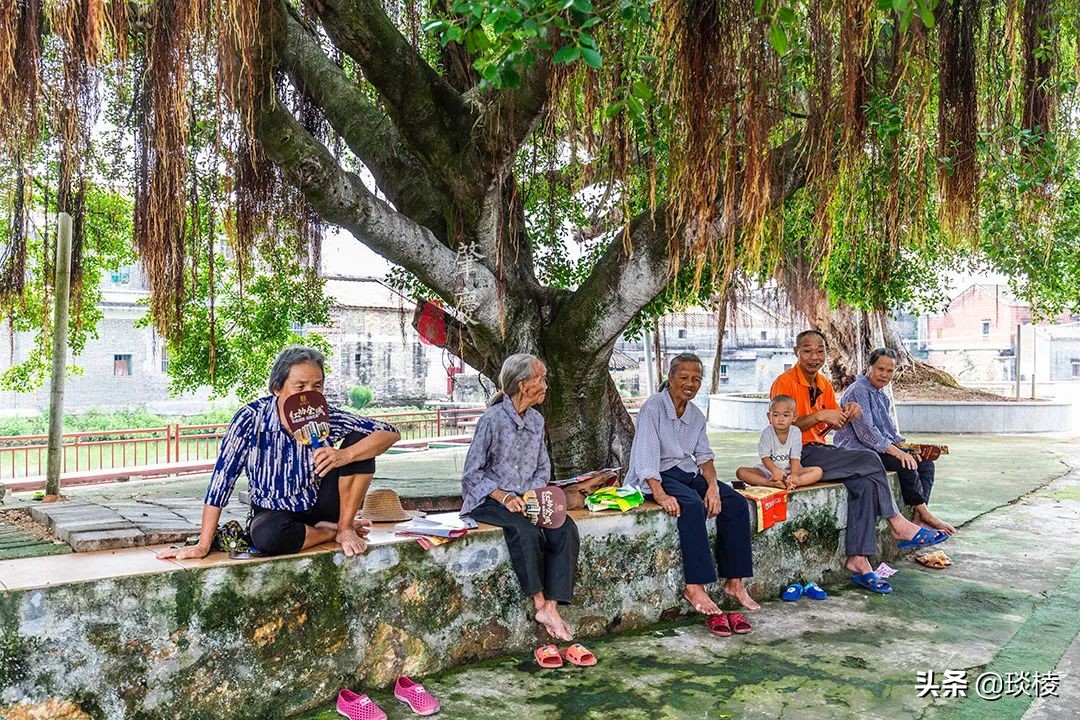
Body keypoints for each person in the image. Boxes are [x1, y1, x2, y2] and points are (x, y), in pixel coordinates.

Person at [158, 346, 400, 561]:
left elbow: (389, 433)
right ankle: (330, 531)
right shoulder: (250, 419)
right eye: (300, 386)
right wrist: (203, 544)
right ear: (277, 388)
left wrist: (344, 455)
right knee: (267, 537)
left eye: (317, 386)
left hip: (320, 502)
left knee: (360, 441)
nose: (309, 393)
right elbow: (222, 479)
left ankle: (345, 526)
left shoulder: (327, 416)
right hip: (273, 513)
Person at [770, 330, 947, 594]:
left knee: (864, 483)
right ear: (797, 352)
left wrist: (846, 414)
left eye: (820, 351)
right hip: (795, 453)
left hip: (820, 448)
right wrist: (820, 415)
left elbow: (831, 424)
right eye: (807, 351)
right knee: (869, 457)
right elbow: (781, 427)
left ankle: (859, 560)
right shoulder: (784, 382)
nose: (814, 357)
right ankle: (897, 522)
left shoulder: (824, 383)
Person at [624, 352, 759, 623]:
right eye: (684, 377)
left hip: (685, 471)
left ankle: (734, 581)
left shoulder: (696, 415)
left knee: (734, 503)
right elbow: (646, 455)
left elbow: (705, 456)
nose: (690, 384)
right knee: (691, 505)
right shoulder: (653, 407)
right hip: (657, 474)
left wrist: (713, 487)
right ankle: (694, 586)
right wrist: (660, 494)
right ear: (670, 378)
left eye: (696, 379)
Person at [460, 353, 581, 643]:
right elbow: (471, 473)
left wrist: (533, 494)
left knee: (565, 529)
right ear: (523, 385)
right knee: (524, 531)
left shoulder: (537, 421)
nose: (545, 385)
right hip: (489, 499)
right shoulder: (492, 420)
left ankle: (552, 607)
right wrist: (503, 496)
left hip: (526, 498)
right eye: (540, 379)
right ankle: (540, 602)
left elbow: (543, 467)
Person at [833, 348, 955, 535]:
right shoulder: (859, 390)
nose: (884, 375)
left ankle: (918, 518)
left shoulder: (881, 395)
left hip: (878, 448)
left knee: (926, 464)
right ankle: (927, 515)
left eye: (889, 371)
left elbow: (889, 431)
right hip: (857, 450)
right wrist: (898, 452)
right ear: (869, 367)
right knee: (903, 462)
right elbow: (867, 432)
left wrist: (910, 448)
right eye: (880, 369)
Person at [736, 395, 823, 490]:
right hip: (768, 471)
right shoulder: (767, 433)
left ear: (794, 417)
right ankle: (770, 484)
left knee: (818, 471)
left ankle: (794, 482)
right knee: (741, 472)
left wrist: (794, 475)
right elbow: (764, 456)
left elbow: (795, 456)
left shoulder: (795, 432)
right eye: (776, 415)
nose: (781, 419)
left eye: (785, 415)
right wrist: (775, 471)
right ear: (769, 417)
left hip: (791, 470)